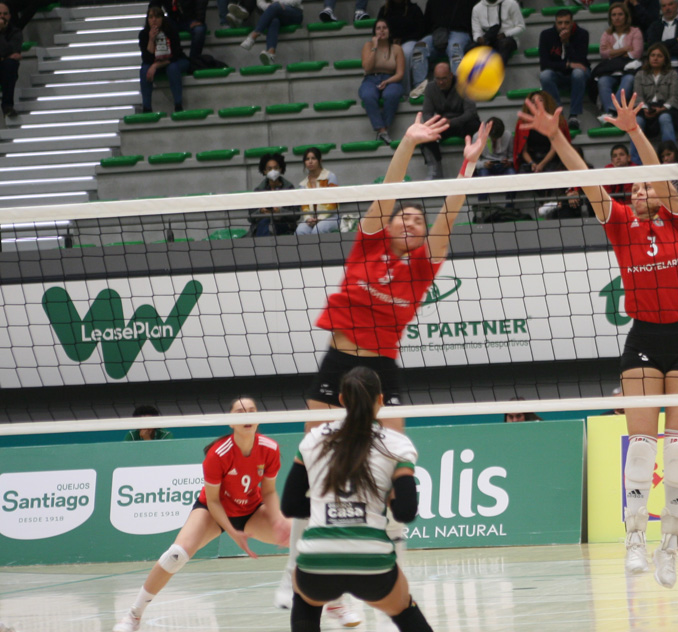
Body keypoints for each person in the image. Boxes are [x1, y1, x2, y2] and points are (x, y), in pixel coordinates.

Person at [275, 113, 490, 613]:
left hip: (381, 371)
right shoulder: (367, 242)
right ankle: (295, 572)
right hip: (338, 364)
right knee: (314, 463)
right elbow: (387, 191)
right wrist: (409, 141)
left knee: (393, 462)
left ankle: (390, 568)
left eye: (417, 219)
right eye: (404, 216)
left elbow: (449, 215)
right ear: (388, 223)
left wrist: (468, 167)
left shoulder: (422, 268)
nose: (411, 221)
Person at [519, 91, 678, 589]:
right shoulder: (621, 224)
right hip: (644, 338)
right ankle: (635, 538)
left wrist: (634, 131)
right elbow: (586, 179)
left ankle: (671, 544)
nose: (642, 191)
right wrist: (557, 136)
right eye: (635, 188)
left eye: (648, 186)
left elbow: (659, 173)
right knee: (641, 447)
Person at [113, 398, 290, 632]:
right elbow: (213, 501)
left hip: (251, 510)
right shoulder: (218, 453)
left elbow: (268, 492)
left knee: (300, 537)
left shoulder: (270, 448)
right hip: (213, 511)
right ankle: (133, 615)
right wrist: (233, 532)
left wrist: (278, 520)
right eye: (240, 412)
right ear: (230, 421)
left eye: (252, 411)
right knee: (175, 555)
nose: (247, 415)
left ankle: (328, 600)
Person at [280, 367, 435, 632]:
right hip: (372, 562)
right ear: (381, 400)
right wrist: (383, 502)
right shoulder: (397, 445)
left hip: (318, 560)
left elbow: (290, 505)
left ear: (342, 399)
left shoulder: (314, 439)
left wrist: (324, 506)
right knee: (403, 608)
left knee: (304, 598)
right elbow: (406, 512)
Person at [422, 63, 481, 179]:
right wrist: (435, 124)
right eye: (438, 79)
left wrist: (451, 122)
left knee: (475, 126)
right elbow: (427, 113)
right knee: (425, 134)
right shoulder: (430, 88)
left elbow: (471, 112)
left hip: (463, 122)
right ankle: (435, 169)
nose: (441, 82)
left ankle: (474, 167)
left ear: (451, 75)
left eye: (444, 79)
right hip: (443, 124)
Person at [538, 9, 590, 132]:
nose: (563, 26)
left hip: (578, 75)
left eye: (566, 23)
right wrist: (567, 65)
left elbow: (580, 62)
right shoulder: (546, 35)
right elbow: (544, 64)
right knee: (545, 75)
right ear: (555, 23)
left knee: (578, 73)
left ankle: (574, 116)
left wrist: (566, 43)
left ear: (572, 23)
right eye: (560, 23)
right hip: (558, 74)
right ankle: (558, 114)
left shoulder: (582, 34)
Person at [149, 0, 208, 64]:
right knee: (161, 28)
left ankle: (193, 62)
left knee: (199, 30)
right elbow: (152, 10)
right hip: (173, 21)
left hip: (190, 19)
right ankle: (172, 59)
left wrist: (199, 19)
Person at [359, 19, 407, 142]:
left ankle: (384, 129)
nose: (382, 31)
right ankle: (382, 130)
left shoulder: (396, 49)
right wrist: (375, 47)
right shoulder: (368, 46)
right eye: (378, 28)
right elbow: (367, 67)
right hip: (371, 78)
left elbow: (400, 74)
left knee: (391, 94)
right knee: (367, 95)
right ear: (374, 32)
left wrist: (387, 81)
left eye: (384, 28)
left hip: (391, 79)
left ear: (389, 31)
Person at [420, 0, 473, 77]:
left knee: (454, 47)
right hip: (437, 36)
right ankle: (420, 84)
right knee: (419, 48)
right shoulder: (433, 1)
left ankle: (458, 84)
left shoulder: (468, 0)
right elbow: (426, 26)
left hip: (460, 34)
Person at [377, 0, 426, 95]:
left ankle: (406, 91)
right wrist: (390, 40)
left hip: (410, 41)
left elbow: (421, 30)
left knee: (404, 53)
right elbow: (377, 30)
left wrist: (402, 39)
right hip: (388, 42)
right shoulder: (384, 11)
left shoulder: (414, 9)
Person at [632, 42, 678, 149]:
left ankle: (669, 154)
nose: (655, 58)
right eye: (653, 55)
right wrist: (645, 109)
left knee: (664, 117)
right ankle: (636, 157)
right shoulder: (640, 75)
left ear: (665, 59)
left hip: (667, 109)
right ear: (648, 58)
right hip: (646, 108)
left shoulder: (673, 74)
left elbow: (675, 97)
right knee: (637, 121)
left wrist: (662, 109)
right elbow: (638, 97)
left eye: (659, 56)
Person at [138, 7, 187, 113]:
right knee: (144, 70)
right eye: (151, 17)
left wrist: (155, 66)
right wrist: (151, 39)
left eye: (157, 17)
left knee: (172, 68)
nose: (154, 20)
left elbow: (175, 55)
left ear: (162, 18)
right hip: (156, 62)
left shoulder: (171, 31)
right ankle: (147, 108)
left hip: (175, 60)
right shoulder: (144, 35)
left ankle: (178, 105)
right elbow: (147, 59)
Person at [596, 3, 642, 114]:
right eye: (614, 15)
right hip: (611, 69)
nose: (617, 17)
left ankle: (612, 111)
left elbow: (636, 53)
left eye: (620, 14)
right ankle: (611, 114)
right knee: (602, 81)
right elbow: (603, 54)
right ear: (610, 18)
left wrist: (612, 52)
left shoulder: (635, 32)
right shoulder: (606, 34)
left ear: (626, 16)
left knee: (629, 80)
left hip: (629, 69)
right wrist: (625, 49)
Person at [470, 0, 524, 64]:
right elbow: (476, 32)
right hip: (487, 40)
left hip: (507, 39)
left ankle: (497, 70)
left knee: (505, 44)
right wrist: (479, 38)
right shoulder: (477, 8)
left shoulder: (511, 3)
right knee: (470, 48)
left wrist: (505, 34)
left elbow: (521, 27)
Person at [514, 91, 567, 173]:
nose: (536, 103)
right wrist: (532, 163)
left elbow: (554, 149)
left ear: (547, 103)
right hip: (532, 159)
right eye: (532, 101)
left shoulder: (556, 120)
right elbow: (524, 151)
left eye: (540, 100)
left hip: (551, 159)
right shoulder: (523, 122)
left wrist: (541, 165)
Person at [250, 152, 299, 236]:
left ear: (280, 169)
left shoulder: (289, 188)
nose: (273, 171)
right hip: (263, 224)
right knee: (265, 221)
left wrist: (280, 211)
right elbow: (250, 218)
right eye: (269, 169)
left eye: (276, 168)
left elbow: (296, 215)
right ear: (264, 171)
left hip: (285, 225)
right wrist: (261, 211)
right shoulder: (258, 190)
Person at [296, 148, 340, 236]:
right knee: (300, 231)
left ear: (320, 160)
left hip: (331, 217)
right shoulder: (303, 184)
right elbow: (304, 207)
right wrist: (308, 219)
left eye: (313, 158)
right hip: (311, 219)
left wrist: (320, 218)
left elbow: (333, 204)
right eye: (307, 159)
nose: (310, 161)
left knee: (318, 230)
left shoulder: (330, 177)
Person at [0, 3, 22, 119]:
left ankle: (7, 106)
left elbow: (11, 50)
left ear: (9, 16)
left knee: (10, 64)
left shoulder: (15, 32)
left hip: (4, 69)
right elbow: (9, 53)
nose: (2, 17)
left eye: (5, 14)